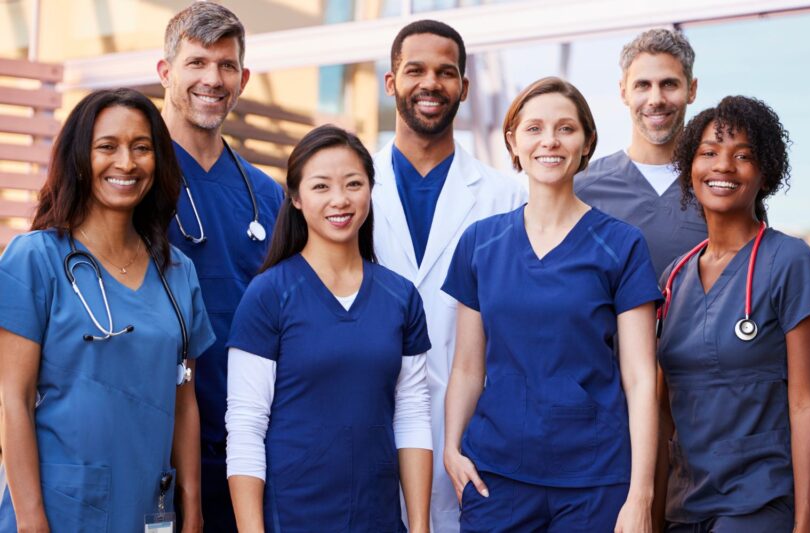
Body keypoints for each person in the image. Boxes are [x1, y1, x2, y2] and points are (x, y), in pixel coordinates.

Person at [443, 77, 662, 532]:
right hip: (496, 477)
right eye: (535, 129)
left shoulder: (621, 245)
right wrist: (451, 448)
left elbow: (641, 377)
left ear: (586, 144)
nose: (550, 141)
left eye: (566, 129)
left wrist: (640, 494)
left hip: (594, 481)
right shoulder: (480, 243)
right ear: (513, 142)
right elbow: (466, 366)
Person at [0, 88, 214, 532]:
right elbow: (12, 401)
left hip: (150, 507)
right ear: (80, 157)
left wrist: (191, 509)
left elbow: (184, 399)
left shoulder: (178, 273)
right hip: (61, 510)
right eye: (107, 147)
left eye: (142, 148)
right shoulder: (35, 260)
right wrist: (31, 521)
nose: (127, 163)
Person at [224, 125, 432, 532]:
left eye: (353, 184)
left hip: (379, 520)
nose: (340, 199)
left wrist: (421, 526)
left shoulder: (400, 297)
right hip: (295, 519)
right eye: (321, 187)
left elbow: (411, 417)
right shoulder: (268, 295)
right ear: (297, 198)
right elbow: (246, 428)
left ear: (370, 190)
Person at [372, 19, 526, 532]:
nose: (431, 83)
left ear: (464, 86)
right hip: (369, 425)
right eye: (415, 70)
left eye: (446, 72)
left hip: (480, 436)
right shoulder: (351, 190)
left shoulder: (509, 198)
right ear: (391, 81)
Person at [655, 96, 810, 533]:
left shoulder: (790, 263)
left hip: (758, 500)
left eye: (743, 156)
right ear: (689, 168)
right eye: (709, 153)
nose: (724, 167)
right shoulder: (674, 277)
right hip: (686, 504)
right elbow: (662, 411)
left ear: (765, 172)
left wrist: (805, 525)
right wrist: (653, 513)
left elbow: (807, 402)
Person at [158, 4, 284, 530]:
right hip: (157, 442)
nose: (213, 79)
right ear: (165, 72)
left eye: (227, 65)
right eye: (197, 63)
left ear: (243, 78)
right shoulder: (132, 177)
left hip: (248, 450)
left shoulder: (268, 195)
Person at [575, 28, 706, 277]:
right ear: (624, 91)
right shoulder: (581, 190)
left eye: (669, 84)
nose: (655, 98)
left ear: (692, 89)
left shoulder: (720, 185)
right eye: (642, 85)